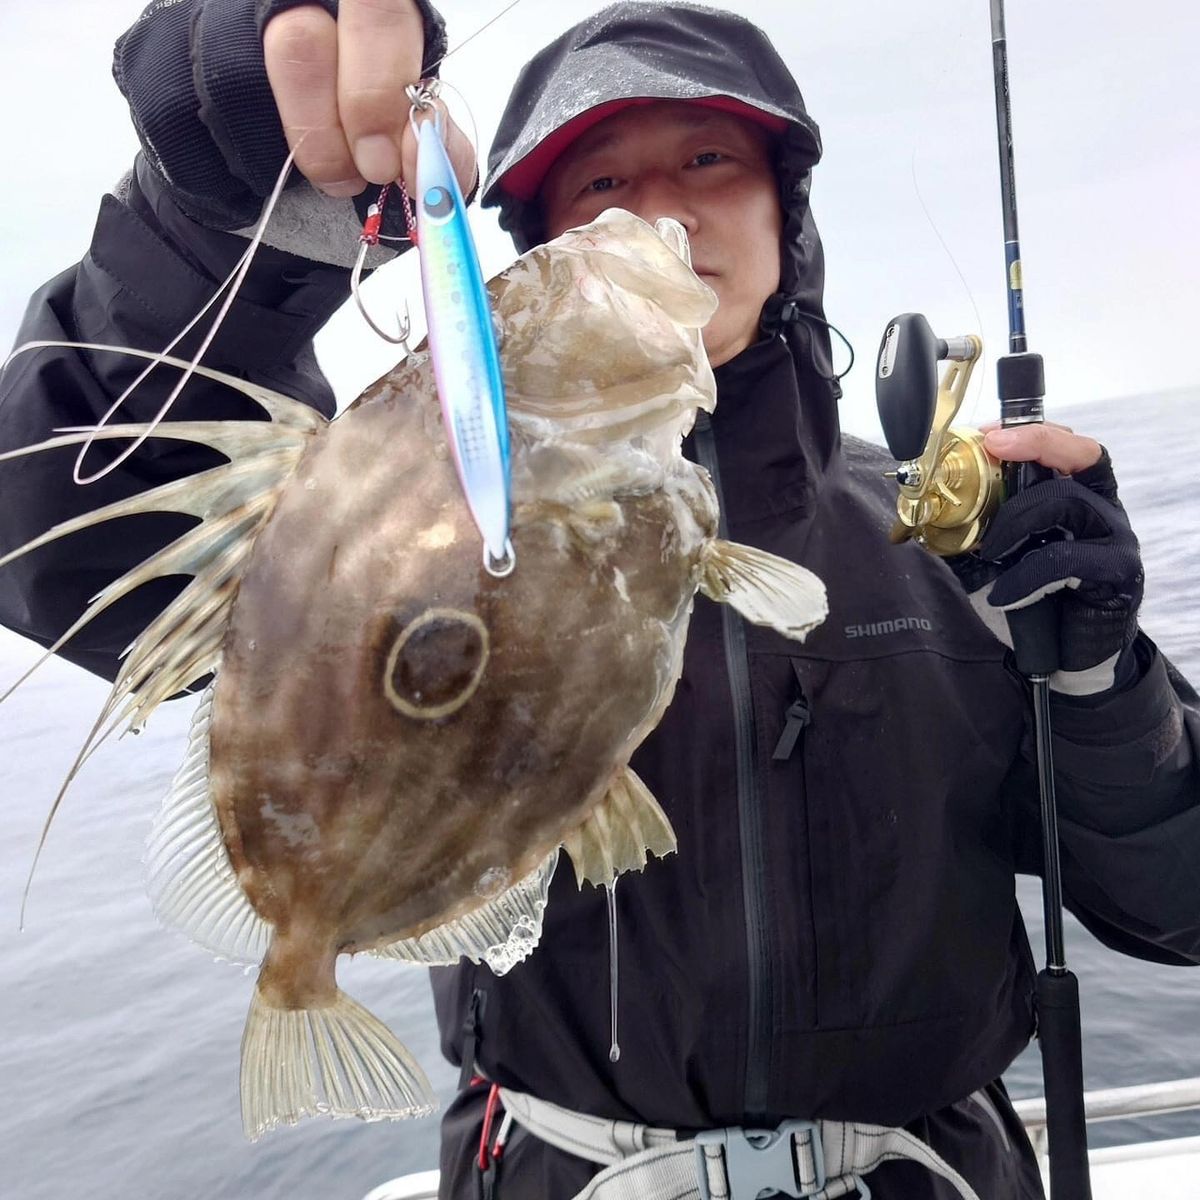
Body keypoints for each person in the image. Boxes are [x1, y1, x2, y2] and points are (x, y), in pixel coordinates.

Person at [1, 3, 1197, 1198]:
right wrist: (218, 210)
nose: (663, 210)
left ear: (790, 207)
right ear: (535, 257)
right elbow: (51, 519)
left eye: (709, 159)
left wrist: (1102, 678)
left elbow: (1177, 911)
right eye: (603, 185)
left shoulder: (947, 538)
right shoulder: (413, 509)